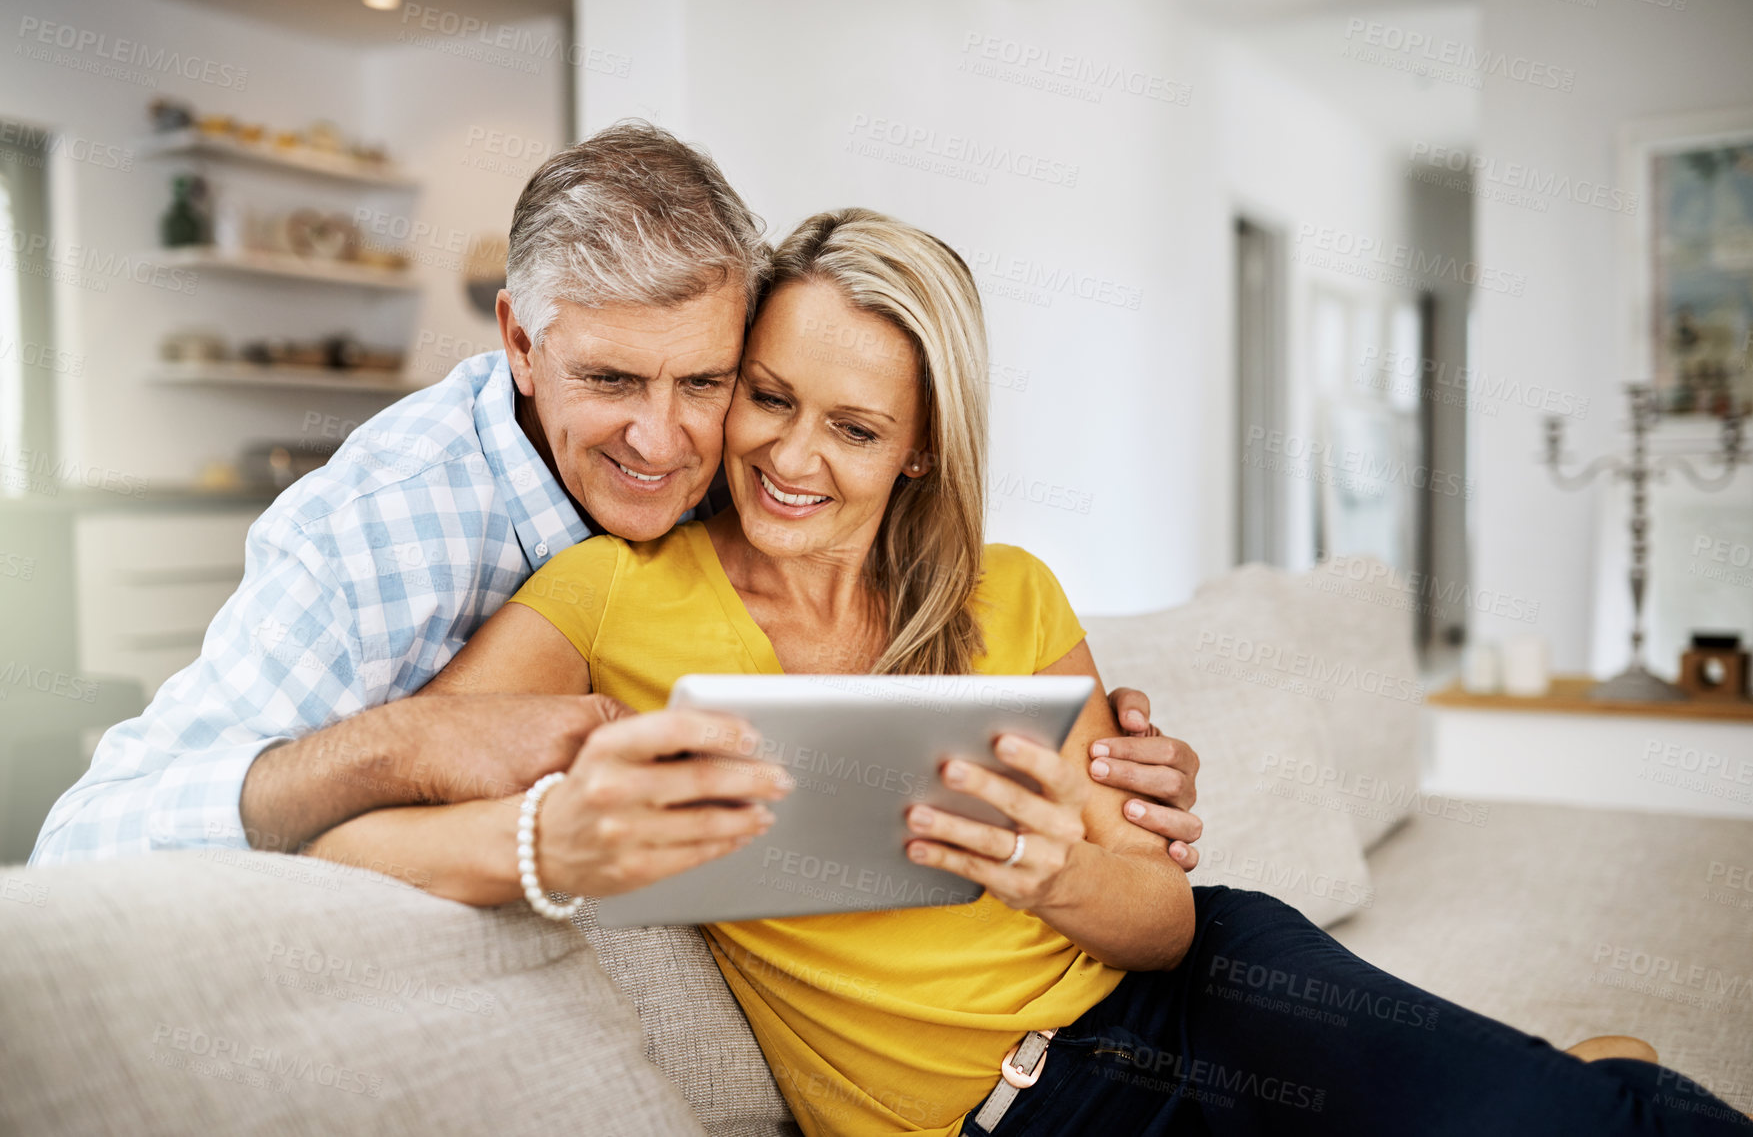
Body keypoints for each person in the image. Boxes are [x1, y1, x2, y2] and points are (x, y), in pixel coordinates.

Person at [309, 208, 1750, 1137]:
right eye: (770, 398)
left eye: (856, 428)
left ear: (921, 445)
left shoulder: (1011, 593)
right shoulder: (606, 593)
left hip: (1214, 999)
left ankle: (1587, 1089)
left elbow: (1167, 920)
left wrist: (1061, 872)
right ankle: (1592, 1074)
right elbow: (360, 820)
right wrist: (543, 840)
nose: (793, 457)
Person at [29, 123, 1203, 883]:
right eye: (607, 381)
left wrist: (1104, 756)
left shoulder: (757, 473)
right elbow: (83, 842)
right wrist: (409, 741)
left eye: (706, 382)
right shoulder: (376, 526)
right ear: (519, 341)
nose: (664, 442)